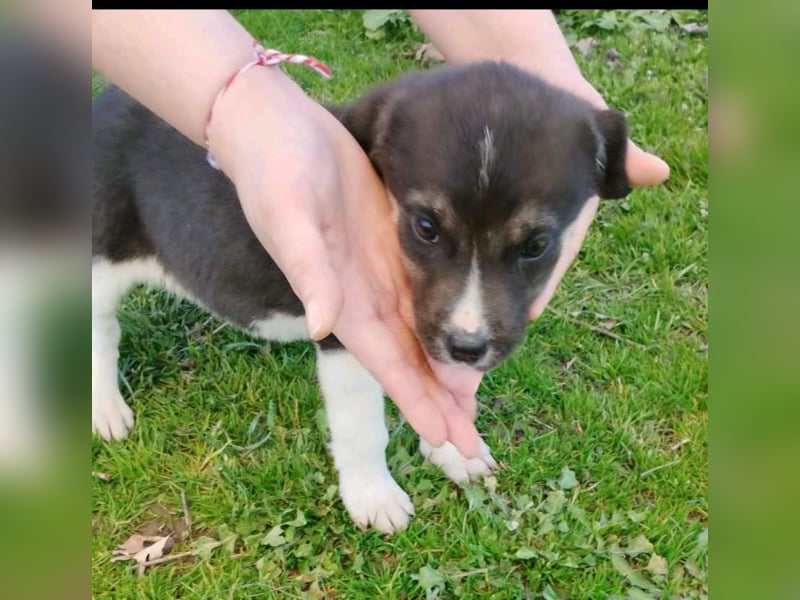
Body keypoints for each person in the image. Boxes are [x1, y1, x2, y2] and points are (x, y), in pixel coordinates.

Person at [91, 10, 670, 459]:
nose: (469, 321)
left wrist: (541, 67)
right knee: (90, 295)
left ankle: (443, 435)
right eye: (427, 228)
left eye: (532, 246)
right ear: (372, 143)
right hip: (132, 199)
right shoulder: (364, 168)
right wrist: (239, 105)